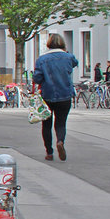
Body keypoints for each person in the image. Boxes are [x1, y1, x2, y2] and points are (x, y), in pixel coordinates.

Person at [32, 33, 79, 161]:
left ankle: (49, 152)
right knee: (61, 123)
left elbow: (37, 78)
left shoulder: (42, 59)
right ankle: (60, 141)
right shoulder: (68, 57)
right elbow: (75, 62)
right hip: (65, 94)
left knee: (46, 125)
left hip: (47, 95)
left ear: (48, 44)